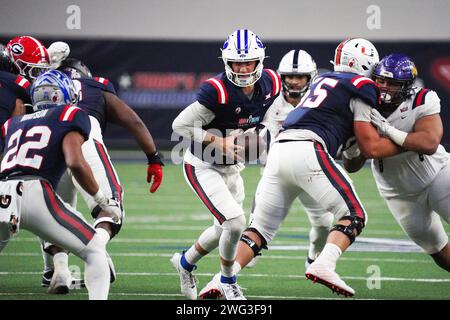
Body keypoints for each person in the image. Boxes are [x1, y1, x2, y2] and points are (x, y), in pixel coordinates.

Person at [202, 38, 406, 298]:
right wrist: (394, 135)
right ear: (365, 65)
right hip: (309, 150)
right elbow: (367, 149)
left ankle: (220, 280)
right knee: (354, 214)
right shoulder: (361, 87)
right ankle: (324, 263)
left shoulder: (322, 82)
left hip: (279, 152)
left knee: (259, 230)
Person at [36, 57, 164, 292]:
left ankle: (59, 269)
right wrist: (153, 158)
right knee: (110, 210)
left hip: (46, 148)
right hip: (85, 143)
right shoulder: (95, 85)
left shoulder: (41, 86)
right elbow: (133, 121)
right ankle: (97, 252)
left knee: (52, 212)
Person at [171, 29, 281, 300]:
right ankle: (227, 281)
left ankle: (184, 264)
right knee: (234, 223)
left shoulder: (270, 84)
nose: (243, 68)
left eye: (248, 62)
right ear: (226, 63)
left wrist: (257, 135)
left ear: (259, 61)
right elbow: (180, 125)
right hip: (202, 164)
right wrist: (216, 141)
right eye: (237, 63)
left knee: (223, 228)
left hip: (233, 167)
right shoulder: (217, 91)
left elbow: (267, 117)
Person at [0, 70, 118, 299]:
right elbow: (75, 161)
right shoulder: (70, 114)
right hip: (34, 191)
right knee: (95, 250)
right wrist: (101, 199)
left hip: (3, 190)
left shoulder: (12, 123)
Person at [356, 54, 450, 272]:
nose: (385, 87)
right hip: (399, 193)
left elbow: (429, 143)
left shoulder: (422, 99)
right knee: (436, 248)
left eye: (393, 83)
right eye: (381, 80)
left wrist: (388, 131)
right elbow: (361, 158)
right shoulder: (361, 104)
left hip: (438, 174)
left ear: (407, 85)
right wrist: (353, 146)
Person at [244, 49, 334, 270]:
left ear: (310, 77)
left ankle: (314, 254)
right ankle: (226, 278)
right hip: (277, 173)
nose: (294, 82)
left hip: (312, 171)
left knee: (324, 224)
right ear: (281, 77)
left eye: (300, 77)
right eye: (289, 77)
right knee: (254, 232)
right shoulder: (270, 101)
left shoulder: (321, 101)